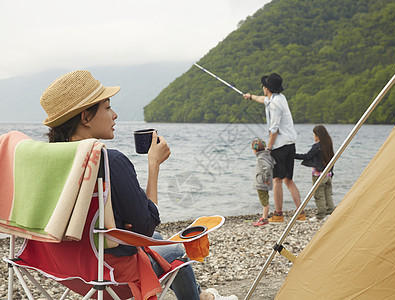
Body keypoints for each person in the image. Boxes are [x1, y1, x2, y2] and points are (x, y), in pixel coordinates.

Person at [39, 70, 237, 300]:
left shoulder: (50, 162)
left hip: (65, 270)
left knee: (160, 237)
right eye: (107, 107)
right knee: (174, 250)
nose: (114, 115)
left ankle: (203, 296)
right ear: (85, 117)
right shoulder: (109, 161)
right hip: (110, 276)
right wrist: (154, 166)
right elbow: (146, 228)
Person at [243, 73, 306, 222]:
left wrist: (268, 148)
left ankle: (278, 215)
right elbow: (263, 99)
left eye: (264, 86)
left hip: (280, 146)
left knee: (277, 180)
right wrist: (250, 96)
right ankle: (301, 213)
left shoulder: (275, 104)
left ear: (267, 88)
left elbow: (274, 129)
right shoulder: (279, 98)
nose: (263, 88)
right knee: (288, 180)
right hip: (290, 144)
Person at [295, 125, 335, 221]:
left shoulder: (317, 146)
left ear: (317, 135)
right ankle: (330, 213)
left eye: (314, 135)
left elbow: (307, 156)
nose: (314, 137)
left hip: (318, 175)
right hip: (328, 174)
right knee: (327, 194)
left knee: (319, 195)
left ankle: (321, 216)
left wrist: (293, 155)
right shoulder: (329, 144)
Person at [251, 138, 276, 226]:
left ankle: (265, 219)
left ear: (255, 150)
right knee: (265, 200)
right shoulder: (266, 155)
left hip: (262, 183)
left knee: (264, 201)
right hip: (263, 182)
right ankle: (264, 217)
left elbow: (268, 167)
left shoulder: (261, 158)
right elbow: (273, 163)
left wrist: (266, 179)